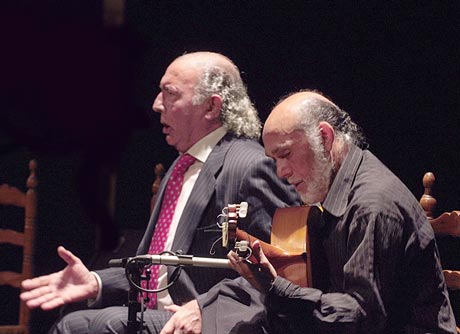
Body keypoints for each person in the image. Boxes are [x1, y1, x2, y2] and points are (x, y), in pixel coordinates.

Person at [19, 52, 301, 333]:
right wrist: (96, 282)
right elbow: (155, 270)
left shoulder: (250, 165)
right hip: (159, 313)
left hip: (209, 319)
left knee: (82, 327)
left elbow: (284, 271)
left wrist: (207, 309)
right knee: (81, 320)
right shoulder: (181, 167)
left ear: (211, 107)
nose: (156, 105)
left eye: (170, 94)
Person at [161, 90, 457, 334]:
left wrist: (274, 286)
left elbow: (361, 318)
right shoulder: (339, 187)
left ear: (325, 138)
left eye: (286, 154)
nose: (280, 172)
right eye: (273, 159)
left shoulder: (373, 205)